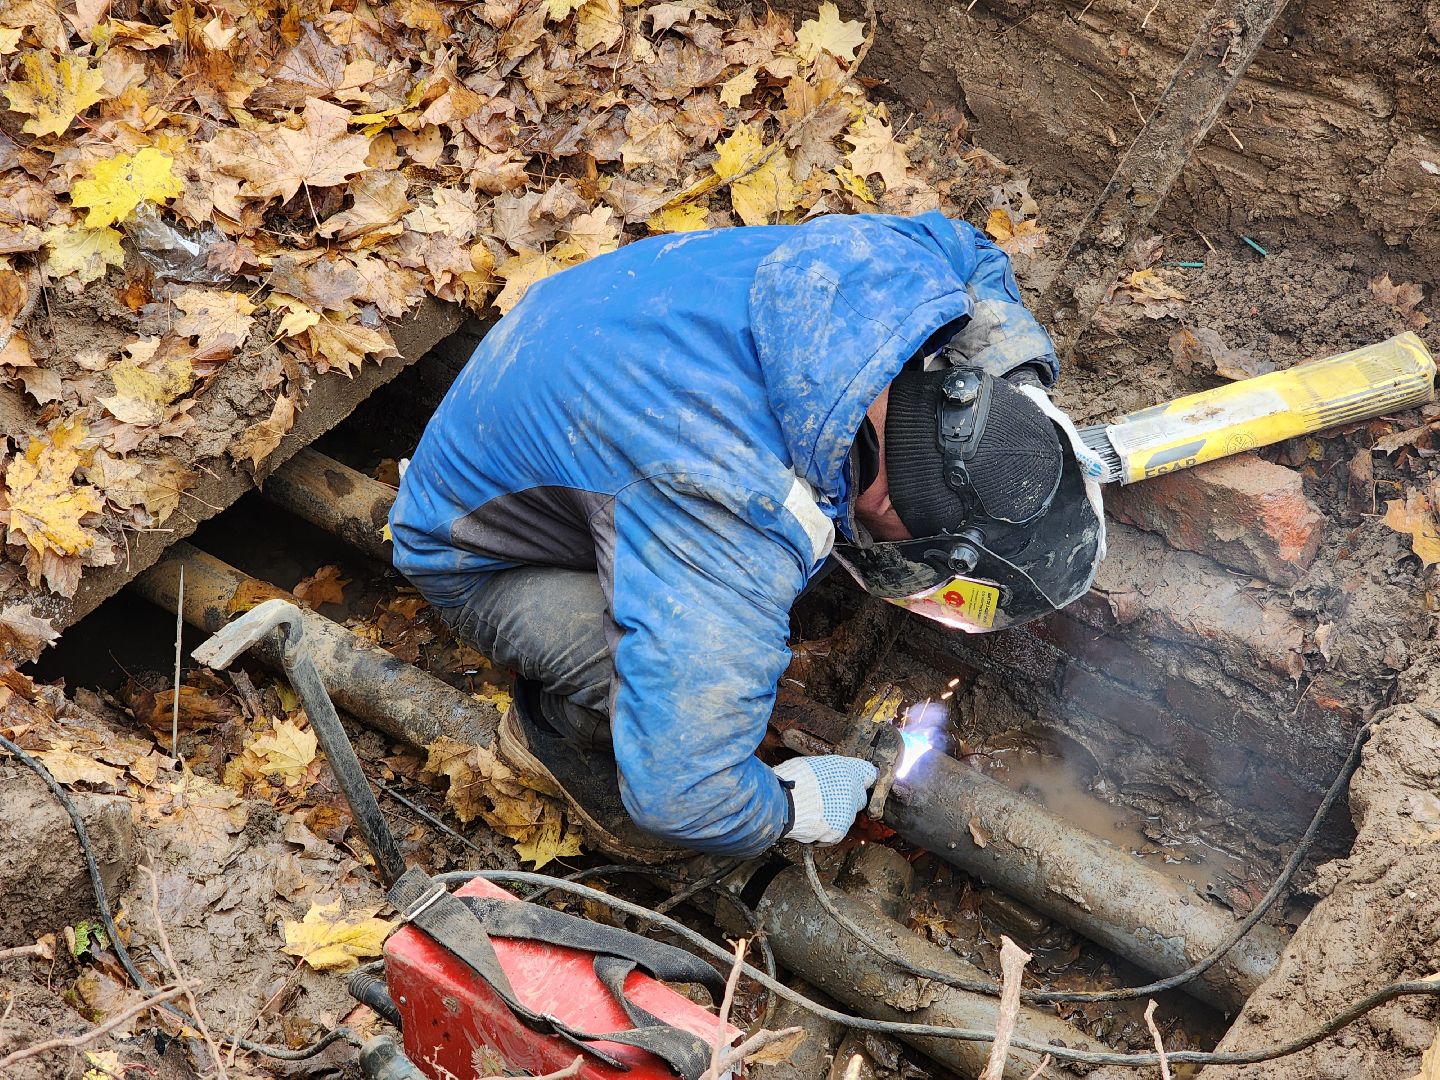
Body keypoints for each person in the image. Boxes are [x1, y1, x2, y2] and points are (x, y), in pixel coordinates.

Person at [389, 211, 1105, 862]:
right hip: (475, 541)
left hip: (579, 343)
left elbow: (967, 248)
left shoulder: (892, 278)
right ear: (886, 500)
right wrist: (791, 806)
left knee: (737, 595)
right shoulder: (735, 510)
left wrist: (1014, 387)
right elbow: (681, 792)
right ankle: (555, 733)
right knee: (660, 711)